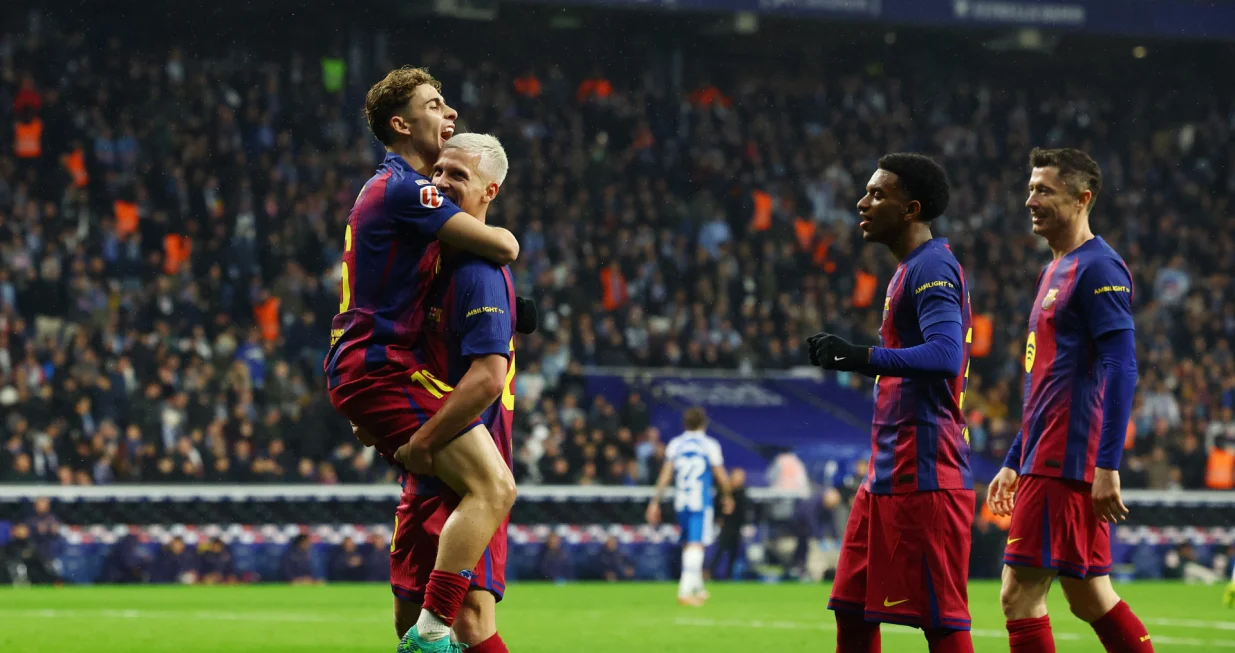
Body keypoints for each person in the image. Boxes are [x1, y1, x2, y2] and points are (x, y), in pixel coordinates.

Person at [986, 148, 1151, 653]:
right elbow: (1046, 383)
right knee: (1088, 595)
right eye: (1030, 189)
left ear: (1082, 199)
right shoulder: (1054, 269)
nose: (1030, 200)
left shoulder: (1100, 267)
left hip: (1066, 460)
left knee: (1019, 596)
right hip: (1046, 457)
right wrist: (1015, 459)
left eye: (1044, 190)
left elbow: (1122, 367)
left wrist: (1108, 465)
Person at [808, 153, 974, 653]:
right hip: (885, 473)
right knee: (852, 611)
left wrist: (860, 356)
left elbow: (945, 354)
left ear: (911, 209)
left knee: (941, 623)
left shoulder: (932, 266)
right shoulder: (909, 269)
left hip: (924, 474)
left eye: (878, 194)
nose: (863, 203)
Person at [390, 134, 521, 653]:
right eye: (438, 171)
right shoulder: (432, 263)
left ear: (489, 192)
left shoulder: (478, 273)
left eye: (458, 176)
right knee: (407, 617)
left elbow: (488, 378)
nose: (441, 182)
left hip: (470, 472)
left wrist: (424, 440)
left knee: (468, 619)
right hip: (431, 466)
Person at [646, 407, 731, 607]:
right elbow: (720, 475)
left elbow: (666, 474)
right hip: (699, 501)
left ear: (684, 423)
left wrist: (655, 501)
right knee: (696, 545)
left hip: (681, 501)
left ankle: (698, 588)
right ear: (704, 423)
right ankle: (684, 592)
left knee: (688, 544)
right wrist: (728, 496)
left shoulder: (676, 444)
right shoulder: (709, 445)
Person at [709, 467, 748, 580]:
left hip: (736, 527)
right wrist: (720, 516)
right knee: (720, 550)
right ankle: (711, 572)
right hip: (725, 526)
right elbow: (717, 508)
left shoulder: (742, 493)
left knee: (734, 552)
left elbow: (743, 511)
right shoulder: (724, 492)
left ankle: (729, 575)